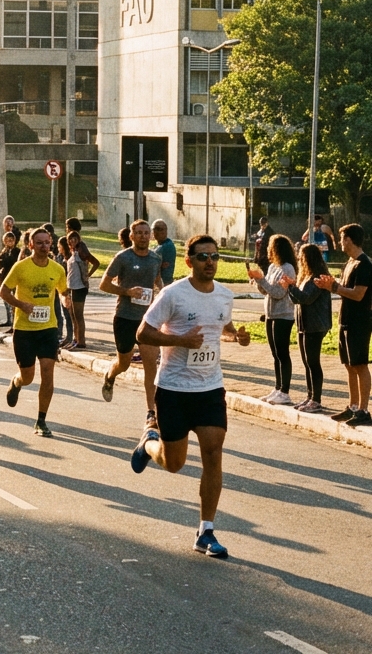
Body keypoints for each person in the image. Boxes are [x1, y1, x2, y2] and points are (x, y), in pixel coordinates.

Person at [130, 234, 251, 559]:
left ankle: (206, 531)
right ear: (189, 261)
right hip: (174, 390)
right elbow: (143, 332)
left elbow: (222, 325)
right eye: (202, 257)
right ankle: (148, 443)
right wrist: (180, 341)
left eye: (214, 257)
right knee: (174, 464)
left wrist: (235, 335)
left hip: (210, 389)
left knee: (213, 454)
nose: (209, 262)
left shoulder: (225, 295)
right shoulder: (173, 295)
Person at [0, 226, 70, 438]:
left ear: (51, 244)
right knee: (28, 376)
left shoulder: (57, 269)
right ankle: (17, 382)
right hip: (24, 329)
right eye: (38, 243)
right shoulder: (21, 267)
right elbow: (3, 291)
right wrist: (21, 304)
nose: (43, 246)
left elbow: (63, 290)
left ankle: (41, 420)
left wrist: (66, 299)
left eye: (47, 242)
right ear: (31, 245)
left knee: (48, 373)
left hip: (48, 328)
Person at [98, 219, 164, 423]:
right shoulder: (123, 258)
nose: (144, 236)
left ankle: (151, 412)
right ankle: (110, 375)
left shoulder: (155, 258)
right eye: (140, 233)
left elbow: (157, 280)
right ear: (132, 236)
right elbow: (103, 285)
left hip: (148, 319)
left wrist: (163, 292)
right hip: (125, 317)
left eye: (147, 233)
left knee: (150, 366)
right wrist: (126, 291)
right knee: (124, 363)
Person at [317, 223, 372, 427]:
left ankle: (364, 410)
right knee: (349, 365)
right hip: (346, 319)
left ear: (349, 240)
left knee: (360, 364)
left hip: (360, 321)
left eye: (342, 238)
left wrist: (335, 287)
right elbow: (342, 289)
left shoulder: (364, 264)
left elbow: (358, 294)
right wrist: (330, 285)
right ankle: (353, 406)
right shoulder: (349, 262)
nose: (340, 242)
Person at [247, 233, 297, 406]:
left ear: (277, 249)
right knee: (275, 354)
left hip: (283, 315)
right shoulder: (273, 267)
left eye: (270, 246)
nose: (267, 249)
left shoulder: (288, 268)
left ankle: (285, 391)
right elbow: (266, 291)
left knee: (283, 353)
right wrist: (258, 281)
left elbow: (278, 293)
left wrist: (263, 281)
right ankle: (277, 388)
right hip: (270, 314)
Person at [286, 245, 333, 413]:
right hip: (304, 324)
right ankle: (310, 395)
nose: (299, 260)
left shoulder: (318, 278)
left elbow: (306, 298)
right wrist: (290, 287)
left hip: (315, 325)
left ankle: (316, 399)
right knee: (307, 363)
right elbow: (296, 300)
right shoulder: (306, 277)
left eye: (301, 257)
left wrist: (291, 287)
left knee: (313, 362)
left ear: (309, 259)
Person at [64, 229, 96, 349]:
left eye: (75, 239)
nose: (72, 241)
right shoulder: (73, 253)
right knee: (73, 316)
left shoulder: (82, 252)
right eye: (70, 239)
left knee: (78, 315)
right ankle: (75, 339)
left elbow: (96, 263)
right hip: (72, 287)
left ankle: (81, 341)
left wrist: (88, 275)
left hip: (80, 287)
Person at [0, 231, 21, 328]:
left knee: (14, 299)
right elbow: (0, 265)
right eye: (7, 240)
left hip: (13, 278)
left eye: (11, 240)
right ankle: (9, 319)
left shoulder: (17, 251)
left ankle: (14, 321)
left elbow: (14, 263)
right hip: (4, 277)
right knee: (6, 301)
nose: (9, 242)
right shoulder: (4, 251)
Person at [151, 220, 177, 287]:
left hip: (164, 284)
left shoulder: (166, 246)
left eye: (162, 229)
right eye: (156, 229)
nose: (160, 232)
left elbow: (153, 265)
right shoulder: (160, 245)